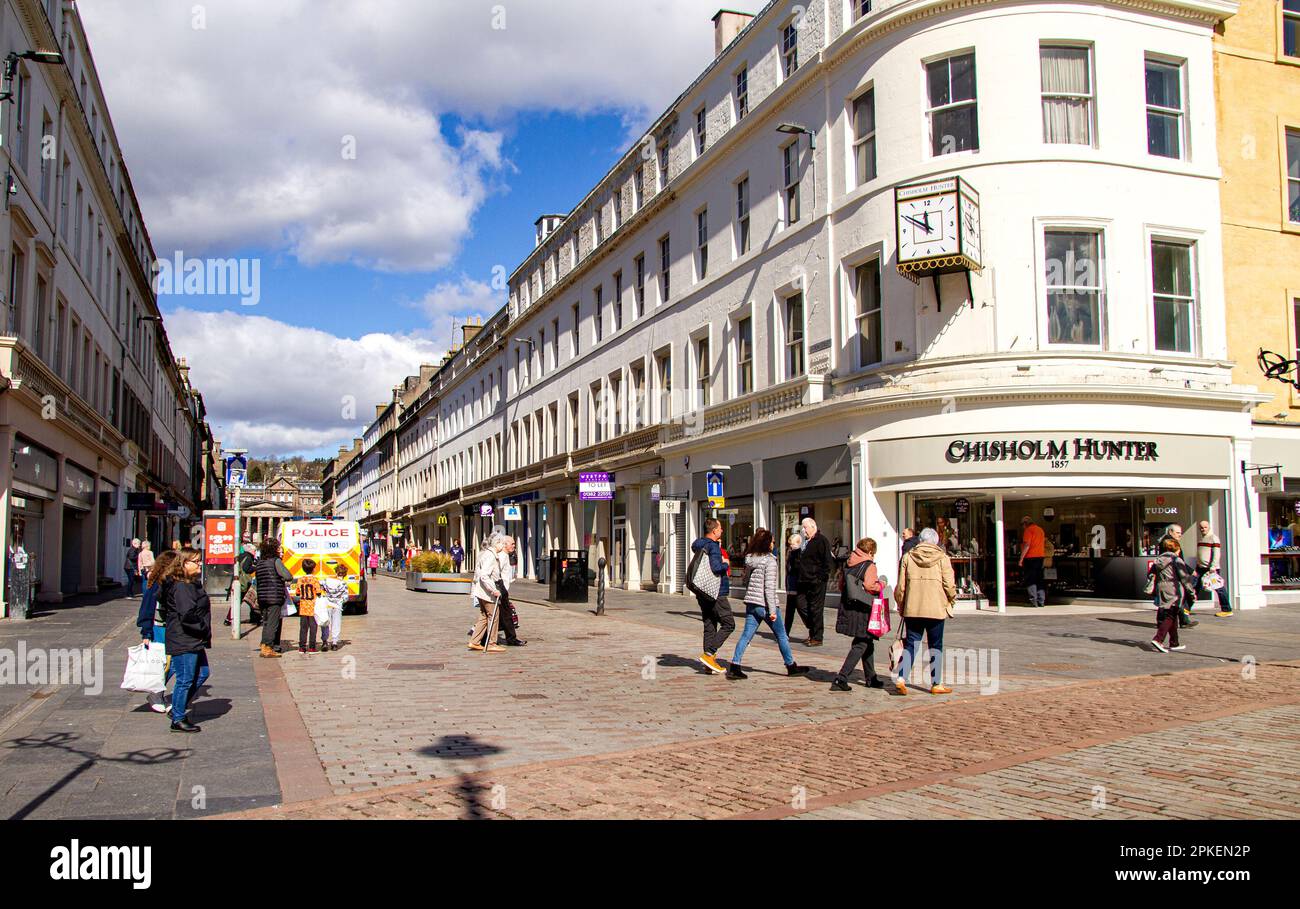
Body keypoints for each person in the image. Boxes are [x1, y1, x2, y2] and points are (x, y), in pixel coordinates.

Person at [727, 529, 809, 680]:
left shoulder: (751, 559)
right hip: (765, 604)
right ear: (766, 543)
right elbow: (769, 588)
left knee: (746, 635)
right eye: (772, 541)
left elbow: (747, 582)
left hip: (752, 602)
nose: (773, 544)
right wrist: (772, 610)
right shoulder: (770, 561)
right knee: (782, 635)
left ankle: (735, 665)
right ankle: (791, 666)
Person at [893, 527, 957, 695]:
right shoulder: (943, 558)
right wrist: (951, 598)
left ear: (920, 540)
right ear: (935, 541)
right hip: (935, 608)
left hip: (913, 608)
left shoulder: (908, 557)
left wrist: (901, 603)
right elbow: (949, 584)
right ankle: (936, 683)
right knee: (936, 645)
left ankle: (901, 677)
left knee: (912, 643)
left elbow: (901, 586)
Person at [159, 547, 212, 733]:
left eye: (199, 560)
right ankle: (178, 718)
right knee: (185, 679)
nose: (199, 564)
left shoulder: (191, 583)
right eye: (195, 561)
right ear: (184, 564)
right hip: (185, 638)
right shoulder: (182, 586)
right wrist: (203, 628)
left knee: (203, 673)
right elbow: (187, 614)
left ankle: (177, 709)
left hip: (193, 638)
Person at [831, 538, 888, 692]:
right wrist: (882, 584)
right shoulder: (869, 565)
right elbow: (870, 585)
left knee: (867, 641)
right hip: (863, 608)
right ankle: (841, 677)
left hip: (850, 606)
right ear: (870, 552)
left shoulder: (849, 562)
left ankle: (871, 677)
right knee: (861, 643)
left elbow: (841, 585)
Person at [137, 550, 181, 714]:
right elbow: (147, 609)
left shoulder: (172, 582)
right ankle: (156, 694)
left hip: (170, 628)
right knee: (165, 664)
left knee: (172, 663)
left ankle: (158, 693)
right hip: (159, 628)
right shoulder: (156, 583)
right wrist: (146, 633)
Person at [691, 518, 735, 674]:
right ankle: (709, 654)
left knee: (709, 624)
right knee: (729, 624)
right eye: (720, 528)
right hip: (716, 591)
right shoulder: (713, 547)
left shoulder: (700, 544)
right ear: (714, 530)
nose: (722, 531)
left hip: (702, 591)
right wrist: (726, 564)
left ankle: (708, 665)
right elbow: (716, 568)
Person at [1146, 537, 1194, 653]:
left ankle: (1174, 642)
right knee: (1171, 615)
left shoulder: (1158, 560)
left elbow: (1150, 574)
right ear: (1175, 549)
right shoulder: (1176, 560)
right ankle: (1158, 639)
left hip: (1162, 589)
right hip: (1174, 589)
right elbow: (1184, 577)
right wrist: (1191, 592)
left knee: (1172, 614)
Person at [255, 538, 293, 658]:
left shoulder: (260, 563)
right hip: (274, 597)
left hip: (262, 596)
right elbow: (288, 576)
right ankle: (268, 648)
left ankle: (264, 646)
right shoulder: (275, 561)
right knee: (272, 623)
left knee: (266, 623)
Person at [797, 517, 832, 646]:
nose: (803, 530)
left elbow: (827, 562)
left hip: (816, 581)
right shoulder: (805, 542)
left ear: (813, 526)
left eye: (805, 527)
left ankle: (817, 637)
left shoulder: (821, 541)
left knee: (816, 608)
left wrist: (820, 577)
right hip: (804, 580)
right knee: (801, 604)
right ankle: (813, 629)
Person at [469, 535, 506, 652]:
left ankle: (474, 641)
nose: (503, 546)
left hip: (481, 591)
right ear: (496, 543)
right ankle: (491, 643)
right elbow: (484, 575)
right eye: (502, 543)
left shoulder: (487, 554)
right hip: (486, 592)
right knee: (493, 616)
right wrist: (493, 590)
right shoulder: (490, 556)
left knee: (484, 616)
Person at [1195, 520, 1232, 618]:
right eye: (1201, 527)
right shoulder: (1202, 539)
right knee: (1195, 588)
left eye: (1205, 527)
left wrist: (1213, 566)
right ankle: (1186, 609)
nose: (1203, 529)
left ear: (1209, 527)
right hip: (1201, 568)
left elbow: (1216, 554)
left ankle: (1227, 609)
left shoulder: (1213, 538)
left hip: (1210, 569)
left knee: (1219, 588)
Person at [496, 535, 526, 646]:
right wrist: (500, 588)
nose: (514, 546)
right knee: (505, 614)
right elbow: (497, 573)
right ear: (504, 544)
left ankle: (510, 638)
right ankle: (511, 638)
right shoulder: (502, 556)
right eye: (512, 543)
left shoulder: (506, 556)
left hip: (503, 589)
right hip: (500, 588)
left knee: (504, 615)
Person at [294, 559, 323, 654]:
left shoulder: (300, 579)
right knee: (313, 627)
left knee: (303, 628)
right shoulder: (315, 580)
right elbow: (318, 592)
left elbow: (297, 593)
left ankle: (302, 647)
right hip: (313, 607)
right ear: (313, 569)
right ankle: (312, 647)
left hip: (303, 607)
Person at [319, 564, 349, 652]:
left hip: (327, 604)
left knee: (326, 622)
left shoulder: (327, 580)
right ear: (344, 574)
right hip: (337, 605)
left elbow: (320, 584)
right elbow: (345, 597)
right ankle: (334, 643)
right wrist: (340, 600)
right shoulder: (343, 583)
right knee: (336, 623)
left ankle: (325, 641)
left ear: (336, 572)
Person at [783, 533, 808, 638]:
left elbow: (796, 569)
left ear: (798, 543)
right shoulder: (790, 553)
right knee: (789, 611)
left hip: (796, 586)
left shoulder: (799, 554)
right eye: (789, 544)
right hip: (791, 586)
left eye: (792, 544)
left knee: (801, 609)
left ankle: (812, 627)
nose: (790, 546)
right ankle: (785, 632)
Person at [1019, 516, 1047, 607]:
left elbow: (1027, 545)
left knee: (1030, 579)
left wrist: (1021, 558)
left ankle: (1033, 601)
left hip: (1030, 557)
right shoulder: (1040, 530)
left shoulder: (1028, 530)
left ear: (1025, 524)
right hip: (1040, 557)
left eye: (1021, 524)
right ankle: (1041, 600)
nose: (1022, 527)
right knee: (1039, 579)